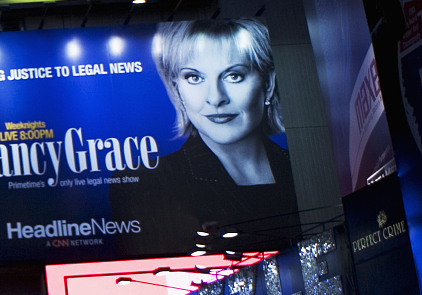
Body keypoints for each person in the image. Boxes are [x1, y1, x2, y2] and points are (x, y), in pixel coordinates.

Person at [110, 18, 298, 245]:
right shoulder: (149, 182)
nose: (216, 98)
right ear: (176, 88)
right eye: (194, 77)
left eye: (234, 75)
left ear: (267, 84)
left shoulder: (301, 169)